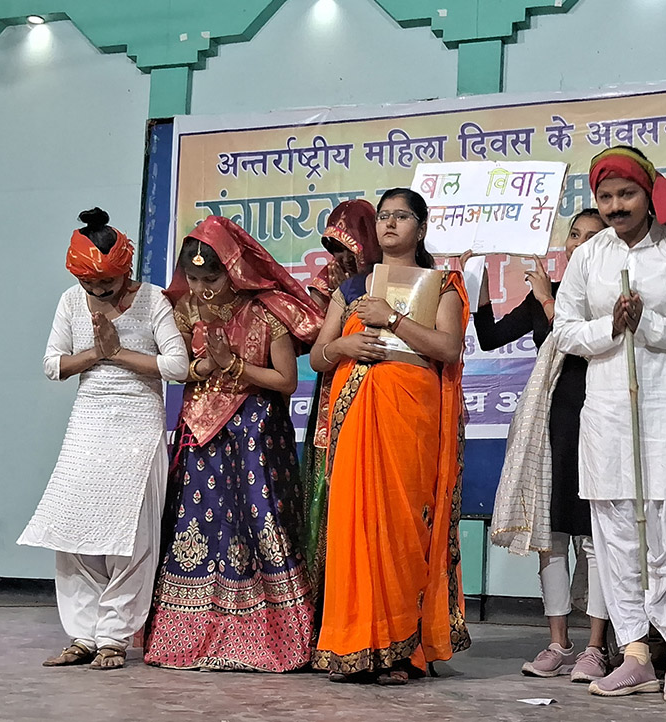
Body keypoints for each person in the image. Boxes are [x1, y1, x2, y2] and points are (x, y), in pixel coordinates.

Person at [553, 147, 666, 704]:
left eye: (625, 195)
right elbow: (563, 331)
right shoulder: (588, 258)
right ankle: (634, 653)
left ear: (647, 194)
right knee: (617, 536)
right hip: (609, 416)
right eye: (605, 198)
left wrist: (652, 324)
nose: (615, 207)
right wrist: (611, 328)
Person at [143, 215, 323, 672]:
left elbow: (285, 381)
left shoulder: (267, 311)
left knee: (259, 526)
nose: (204, 288)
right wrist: (206, 367)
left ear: (235, 269)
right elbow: (181, 368)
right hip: (201, 435)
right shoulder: (182, 310)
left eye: (213, 278)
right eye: (196, 278)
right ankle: (190, 640)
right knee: (199, 528)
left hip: (257, 436)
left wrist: (233, 365)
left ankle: (273, 642)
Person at [309, 188, 470, 685]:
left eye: (401, 216)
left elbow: (447, 347)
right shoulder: (350, 288)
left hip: (411, 419)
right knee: (354, 523)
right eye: (383, 217)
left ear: (420, 227)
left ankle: (401, 650)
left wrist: (393, 319)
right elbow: (317, 357)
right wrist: (343, 343)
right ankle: (352, 644)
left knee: (402, 527)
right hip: (356, 416)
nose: (389, 224)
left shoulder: (442, 283)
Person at [18, 208, 188, 670]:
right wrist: (98, 352)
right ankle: (82, 636)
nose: (97, 293)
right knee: (72, 531)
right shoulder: (71, 302)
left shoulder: (154, 301)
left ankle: (114, 637)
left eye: (106, 286)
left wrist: (121, 353)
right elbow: (53, 365)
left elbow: (178, 366)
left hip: (139, 424)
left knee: (132, 535)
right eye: (90, 286)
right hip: (88, 424)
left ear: (126, 270)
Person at [482, 210, 616, 682]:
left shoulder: (613, 294)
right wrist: (477, 271)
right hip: (551, 427)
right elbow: (489, 335)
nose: (579, 243)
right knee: (552, 537)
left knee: (598, 540)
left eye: (592, 236)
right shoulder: (549, 294)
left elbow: (588, 345)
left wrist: (546, 298)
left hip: (602, 423)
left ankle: (597, 647)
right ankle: (558, 642)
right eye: (574, 235)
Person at [301, 199, 381, 627]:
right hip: (334, 396)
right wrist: (340, 344)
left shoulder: (395, 280)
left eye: (348, 245)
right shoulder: (334, 281)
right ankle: (325, 613)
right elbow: (315, 346)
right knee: (327, 494)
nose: (341, 257)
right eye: (333, 247)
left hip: (385, 400)